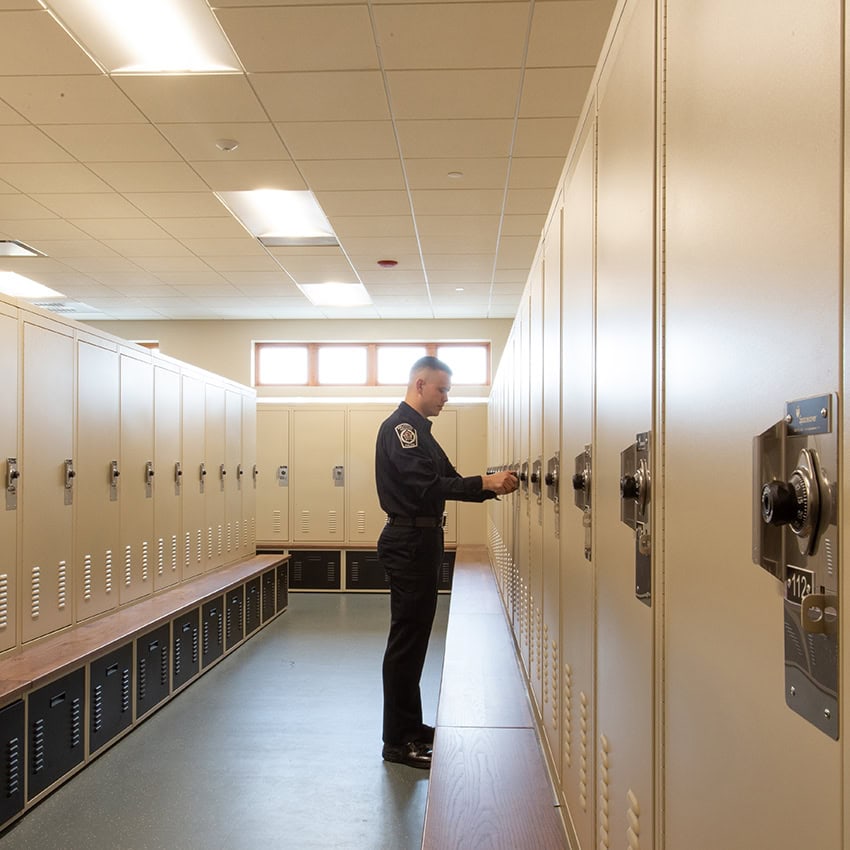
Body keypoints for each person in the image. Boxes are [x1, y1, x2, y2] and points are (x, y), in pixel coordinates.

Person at [375, 355, 519, 769]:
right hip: (409, 540)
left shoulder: (422, 433)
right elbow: (425, 487)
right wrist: (483, 483)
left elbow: (449, 480)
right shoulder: (402, 431)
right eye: (441, 390)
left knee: (416, 639)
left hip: (422, 539)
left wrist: (492, 487)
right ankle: (397, 742)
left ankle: (411, 727)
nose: (445, 399)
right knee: (406, 641)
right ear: (419, 384)